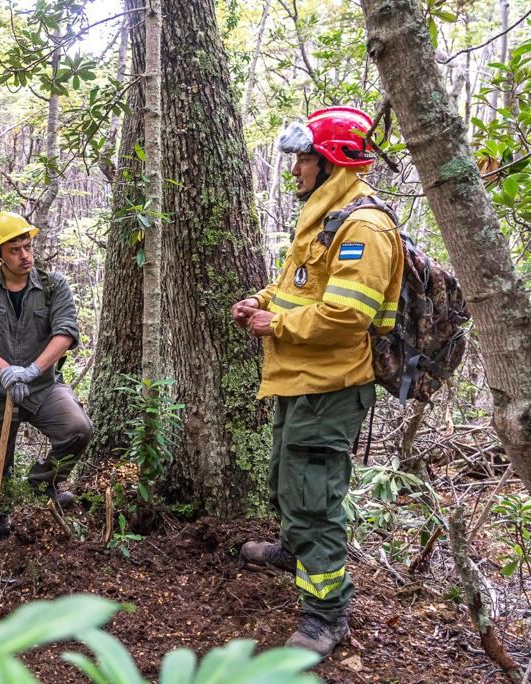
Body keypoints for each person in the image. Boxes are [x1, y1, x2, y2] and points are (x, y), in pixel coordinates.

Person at [233, 107, 403, 658]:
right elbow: (298, 283)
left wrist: (275, 324)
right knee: (287, 477)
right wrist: (260, 303)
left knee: (313, 499)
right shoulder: (324, 215)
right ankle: (294, 549)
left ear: (332, 161)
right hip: (299, 379)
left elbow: (346, 316)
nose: (296, 169)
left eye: (305, 158)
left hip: (332, 385)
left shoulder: (364, 227)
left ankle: (326, 616)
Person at [0, 211, 91, 539]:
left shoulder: (52, 285)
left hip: (42, 387)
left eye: (27, 247)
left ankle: (42, 484)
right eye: (14, 250)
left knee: (77, 430)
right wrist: (4, 371)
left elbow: (66, 332)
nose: (24, 255)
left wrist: (31, 371)